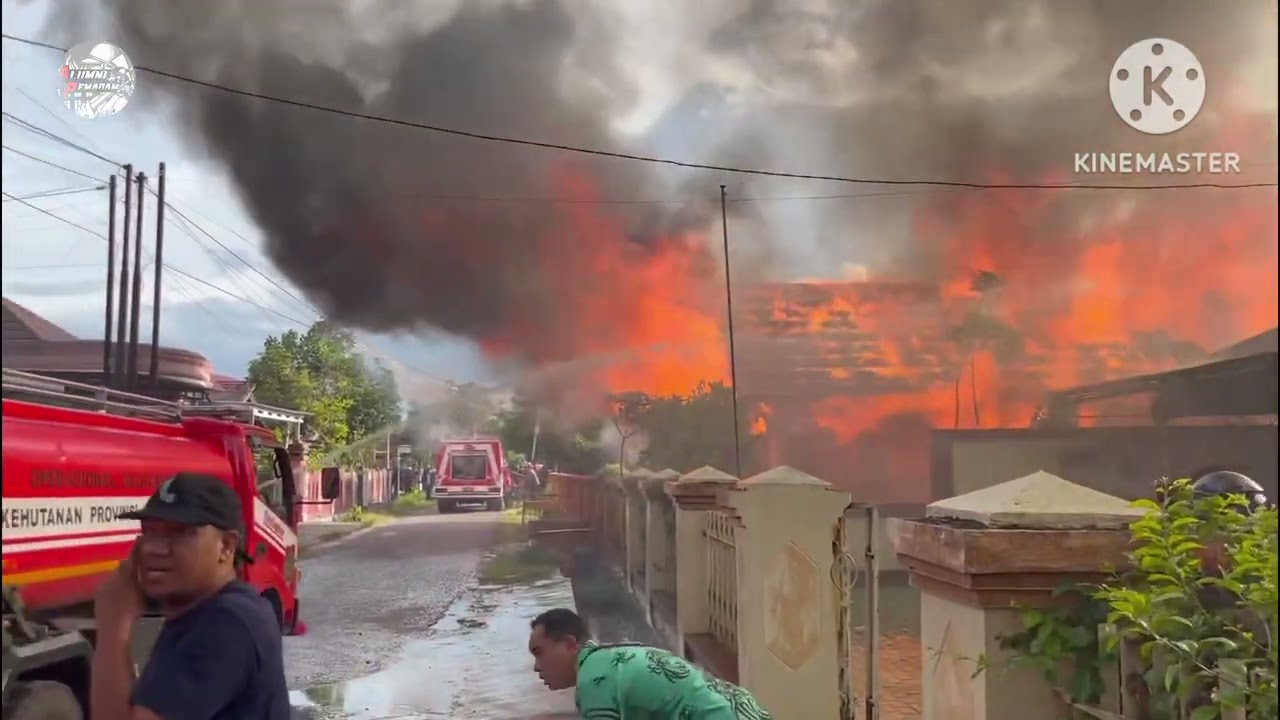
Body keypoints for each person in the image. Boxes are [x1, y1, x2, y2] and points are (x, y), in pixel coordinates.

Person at [90, 471, 290, 720]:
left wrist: (113, 628)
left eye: (180, 532)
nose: (154, 548)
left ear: (226, 546)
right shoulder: (205, 612)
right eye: (150, 532)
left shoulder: (226, 623)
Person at [528, 607, 772, 719]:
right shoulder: (609, 659)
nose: (537, 667)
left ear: (571, 645)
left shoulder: (593, 681)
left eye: (539, 652)